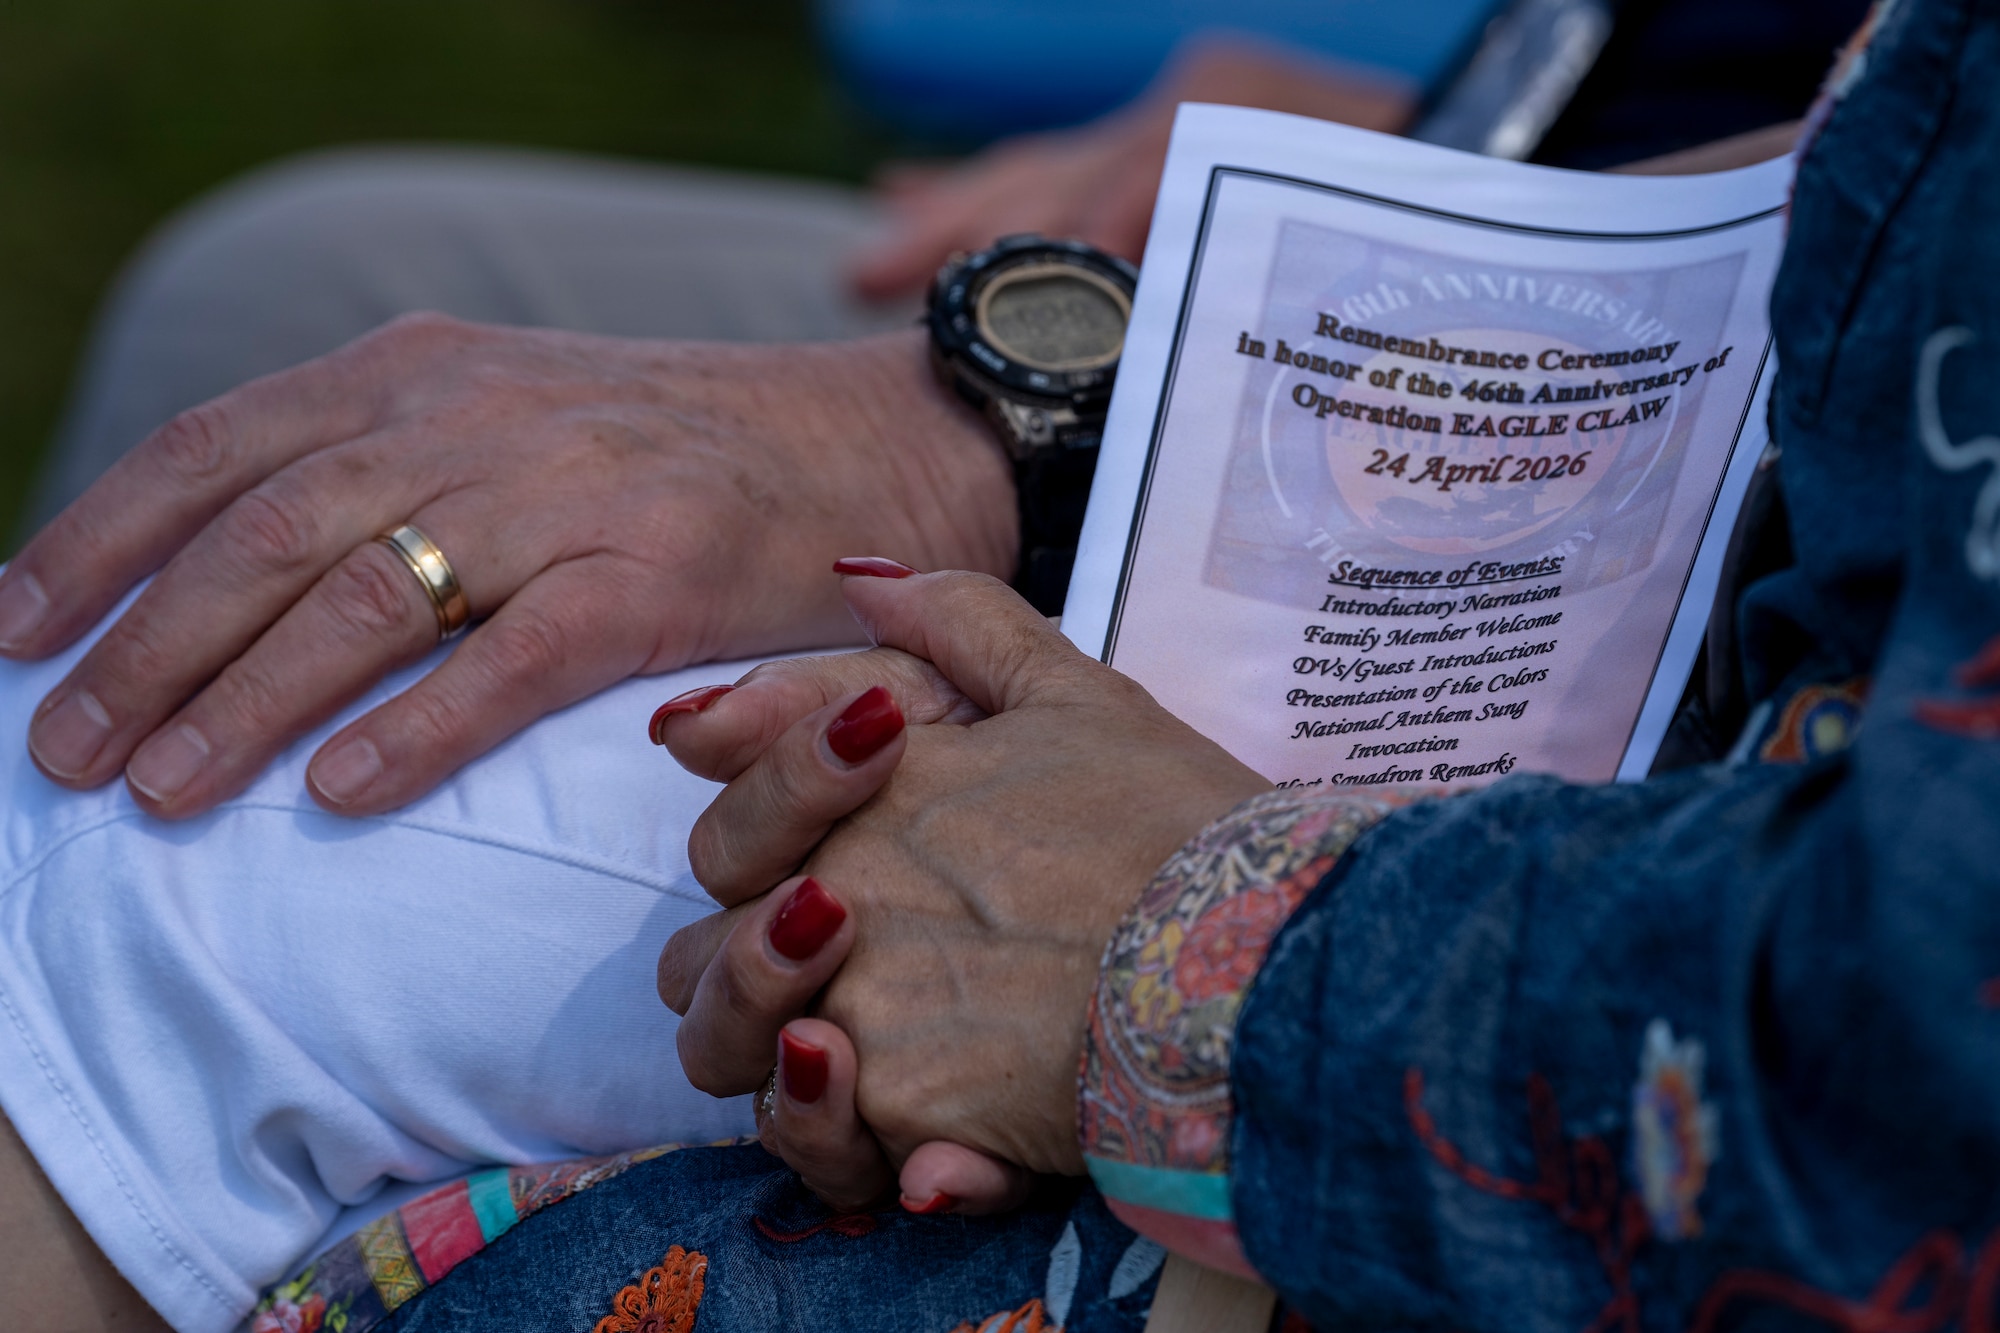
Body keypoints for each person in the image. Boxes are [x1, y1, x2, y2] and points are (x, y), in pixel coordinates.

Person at [0, 6, 1874, 1331]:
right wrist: (1403, 202)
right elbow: (1891, 155)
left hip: (1656, 776)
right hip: (1634, 311)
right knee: (286, 335)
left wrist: (1214, 940)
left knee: (154, 875)